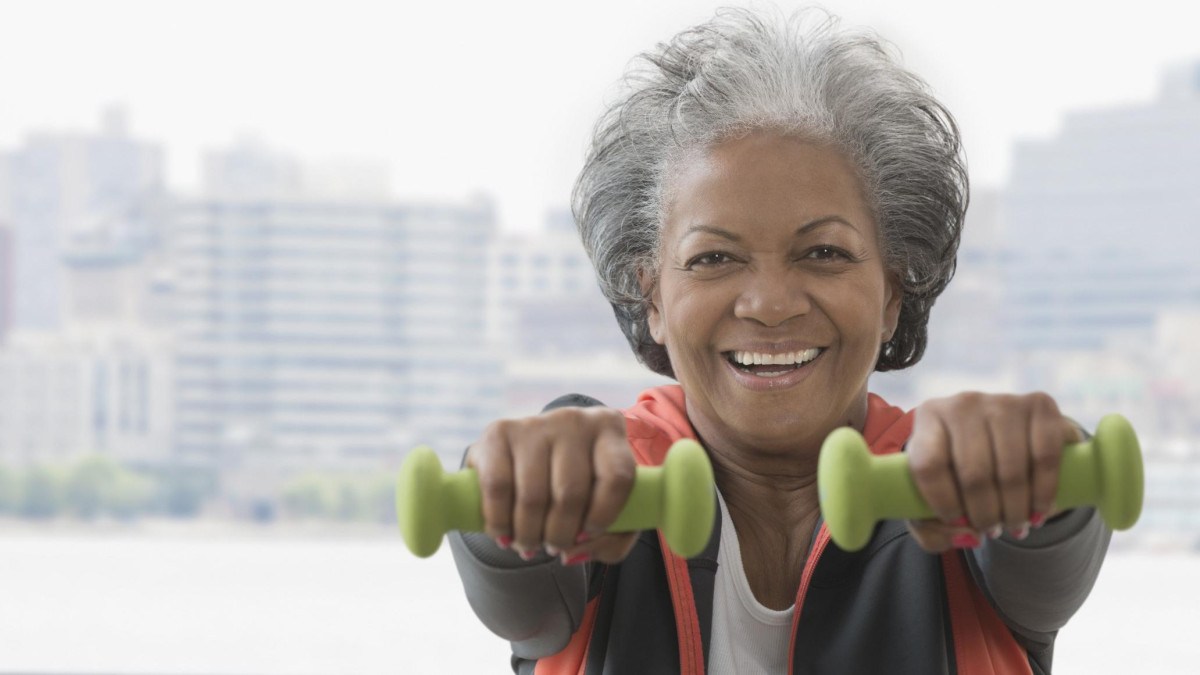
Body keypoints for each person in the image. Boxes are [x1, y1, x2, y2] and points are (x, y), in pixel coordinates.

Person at [448, 8, 1110, 674]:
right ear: (652, 295)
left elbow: (1061, 529)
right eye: (713, 258)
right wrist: (514, 478)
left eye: (823, 252)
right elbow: (512, 580)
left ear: (890, 293)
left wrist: (1036, 457)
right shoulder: (600, 484)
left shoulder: (966, 494)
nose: (768, 303)